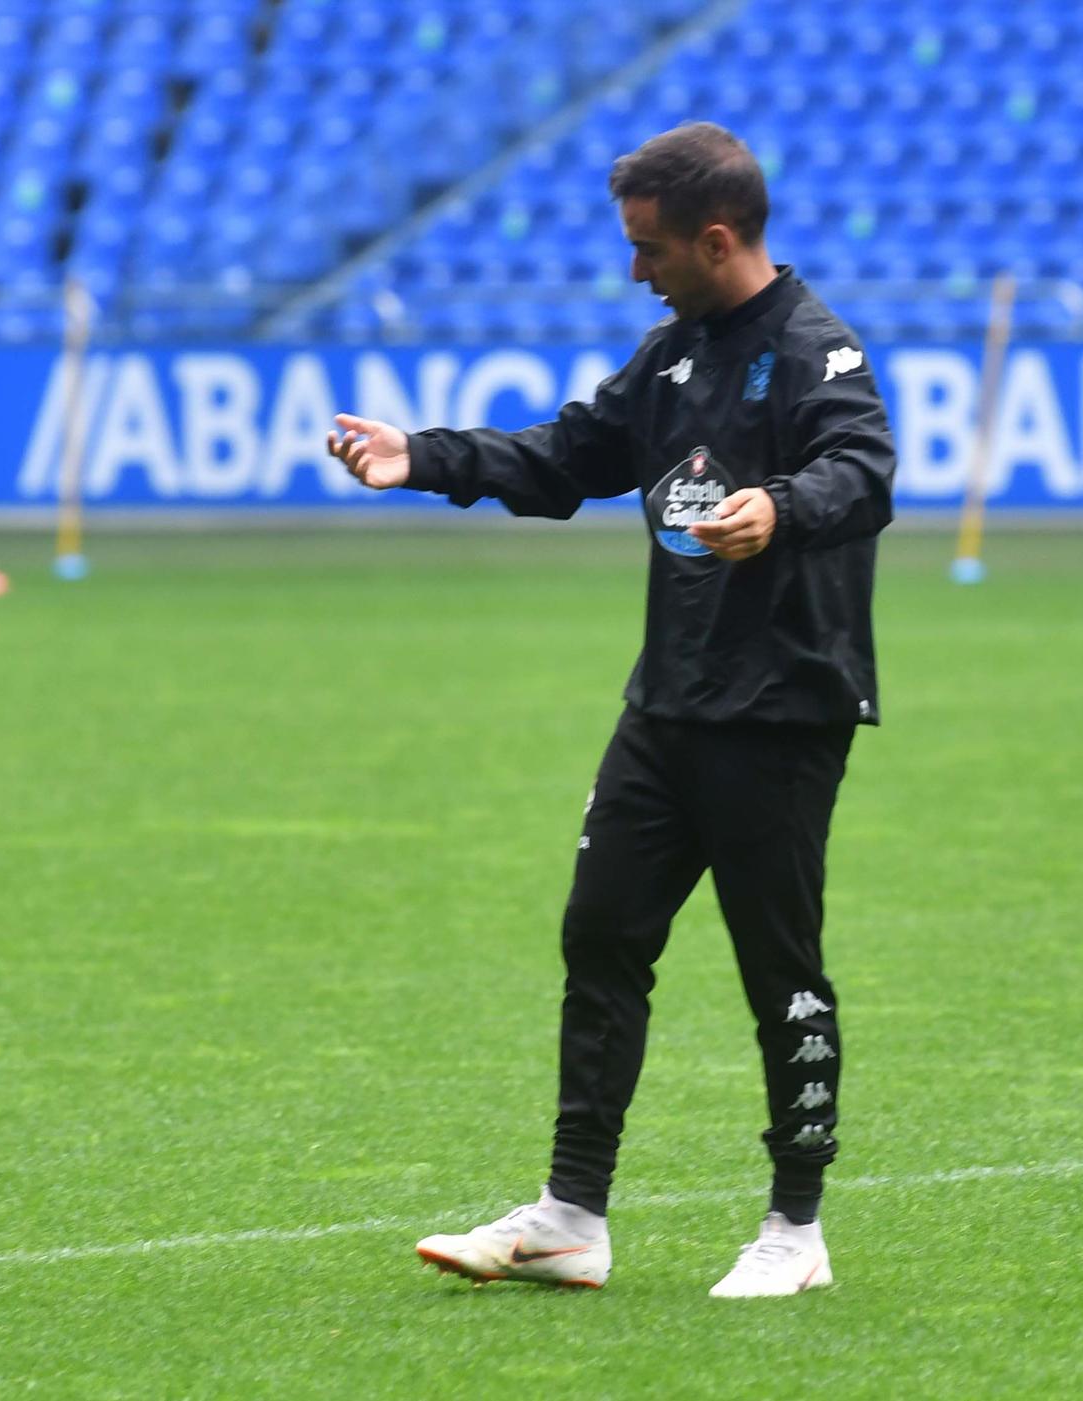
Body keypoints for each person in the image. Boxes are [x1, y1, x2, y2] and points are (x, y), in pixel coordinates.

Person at [326, 122, 895, 1298]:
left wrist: (780, 508)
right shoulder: (672, 356)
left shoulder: (813, 353)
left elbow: (862, 470)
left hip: (779, 713)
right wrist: (421, 458)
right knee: (601, 937)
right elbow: (569, 456)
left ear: (717, 238)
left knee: (775, 962)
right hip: (668, 707)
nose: (636, 267)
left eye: (650, 248)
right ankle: (571, 1217)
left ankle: (796, 1229)